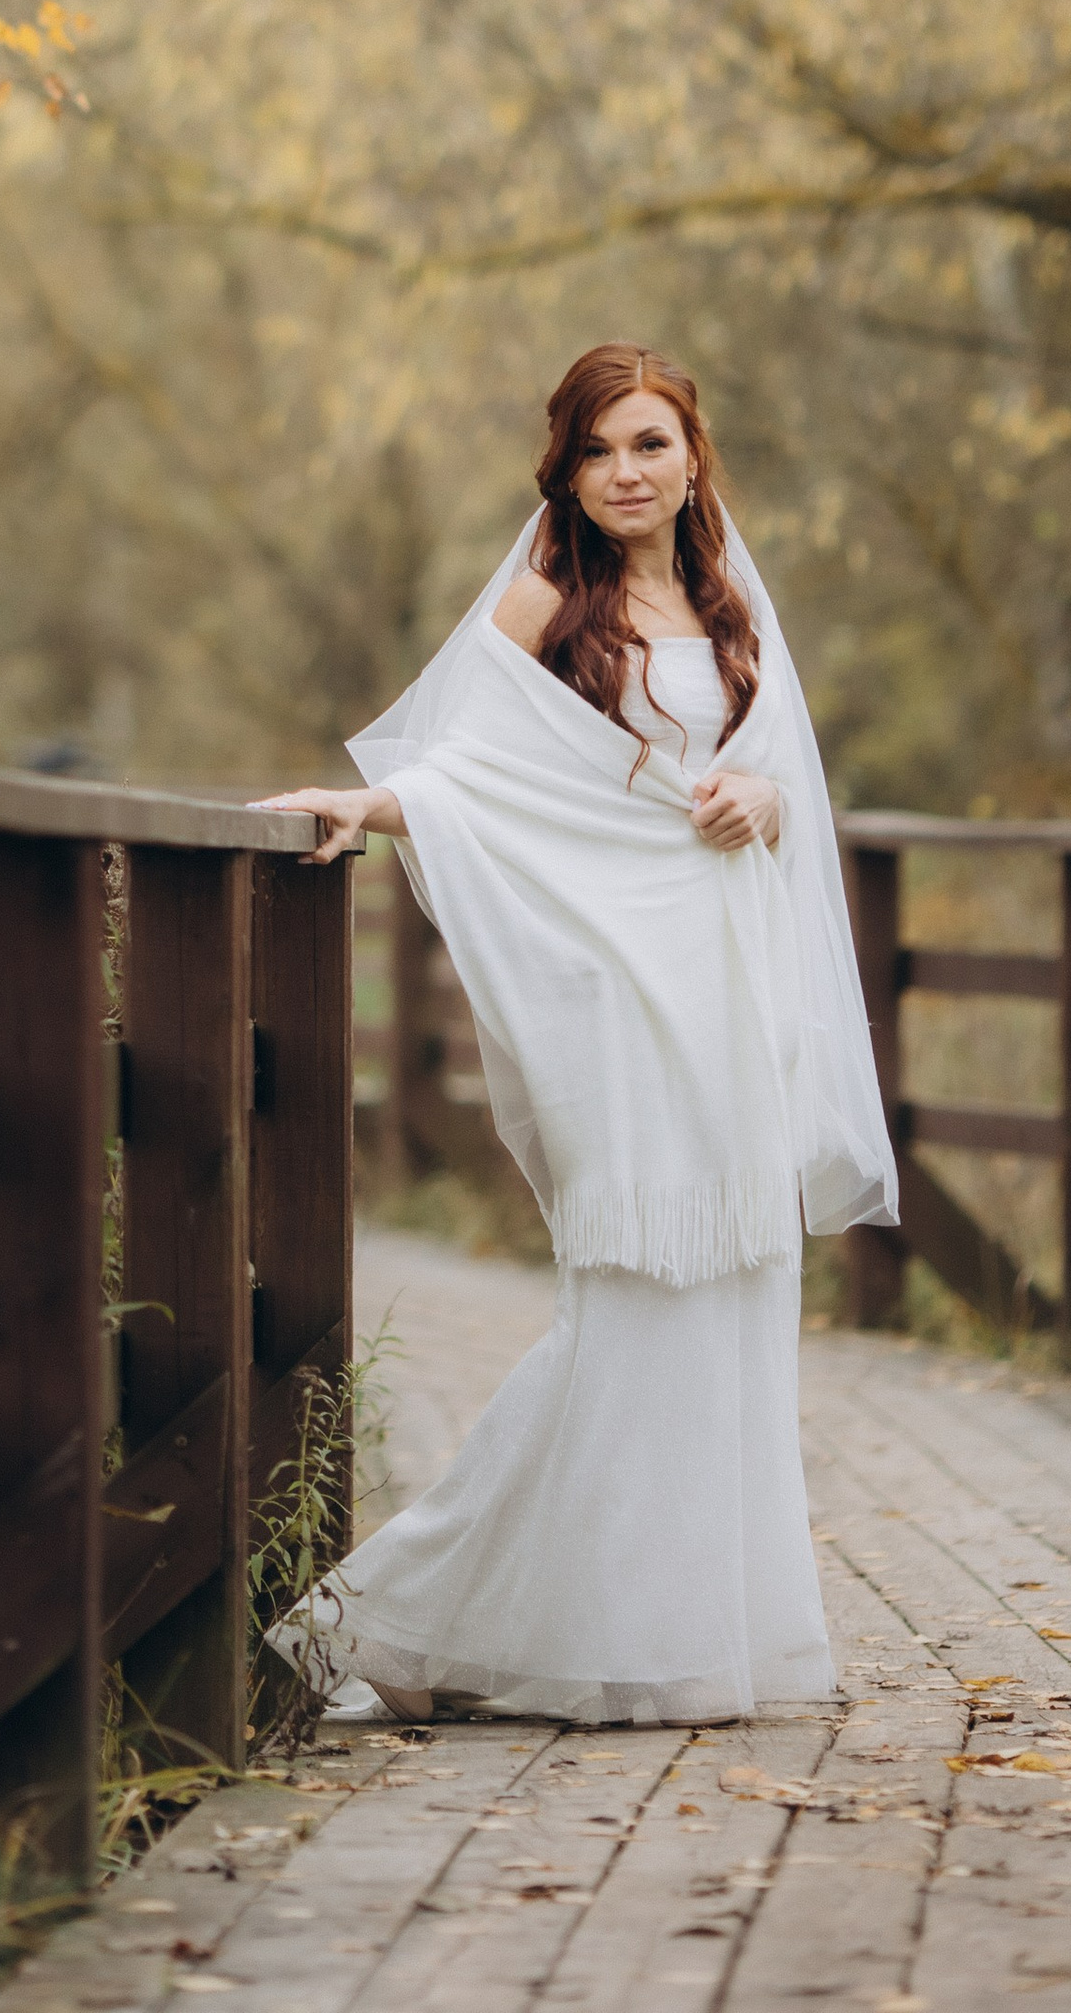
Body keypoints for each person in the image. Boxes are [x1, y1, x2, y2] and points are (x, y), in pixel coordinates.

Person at [249, 341, 896, 1726]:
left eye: (650, 444)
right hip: (616, 996)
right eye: (600, 449)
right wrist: (368, 808)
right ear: (570, 465)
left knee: (730, 1296)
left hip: (727, 990)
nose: (625, 472)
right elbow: (475, 773)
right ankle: (387, 1625)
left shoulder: (729, 605)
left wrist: (763, 809)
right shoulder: (547, 599)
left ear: (692, 455)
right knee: (627, 1306)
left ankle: (685, 1640)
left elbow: (785, 784)